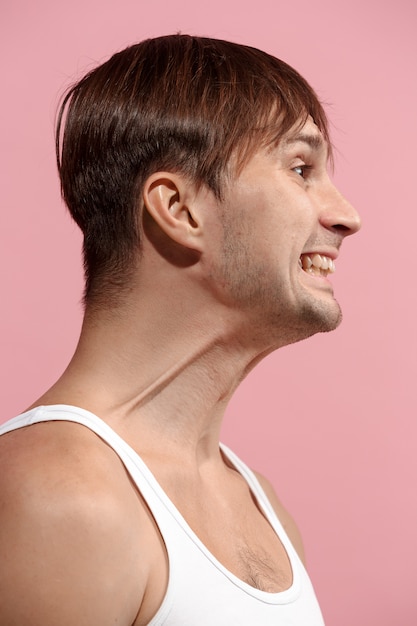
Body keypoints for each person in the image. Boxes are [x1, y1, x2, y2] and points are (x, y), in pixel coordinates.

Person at [0, 34, 360, 625]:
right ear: (180, 209)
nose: (347, 215)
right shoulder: (56, 496)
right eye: (301, 169)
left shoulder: (261, 504)